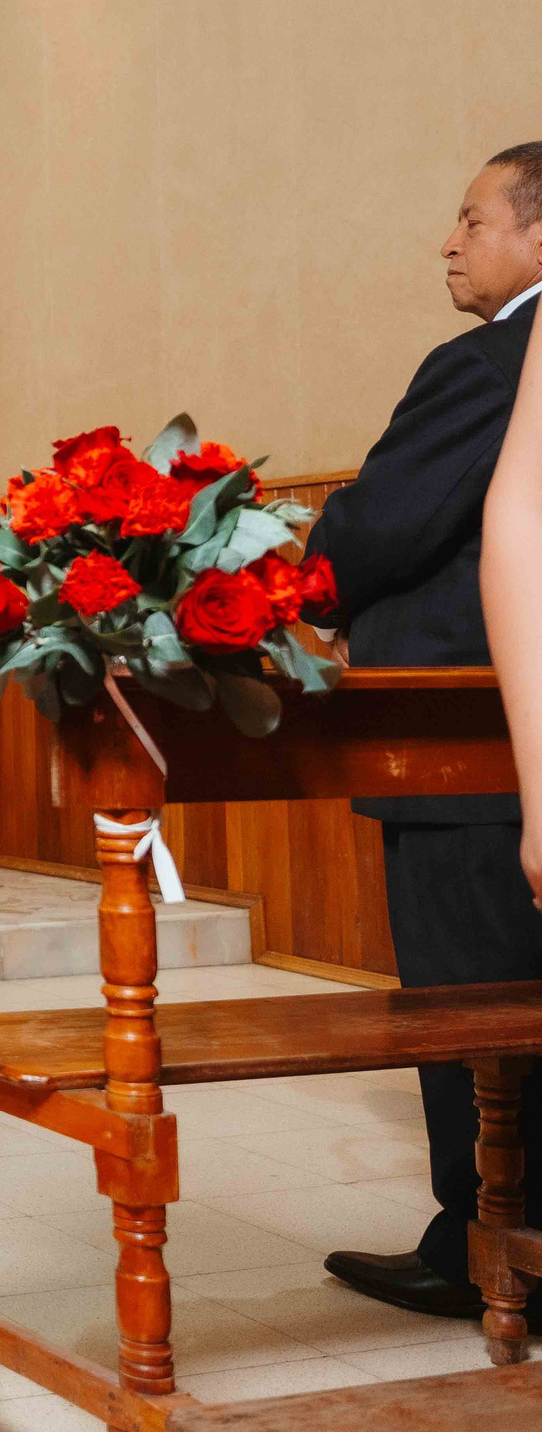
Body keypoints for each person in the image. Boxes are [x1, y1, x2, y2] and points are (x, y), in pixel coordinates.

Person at [310, 142, 542, 1321]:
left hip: (468, 748)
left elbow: (384, 526)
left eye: (469, 218)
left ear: (537, 236)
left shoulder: (491, 362)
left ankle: (480, 1246)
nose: (447, 242)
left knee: (469, 1003)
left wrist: (293, 581)